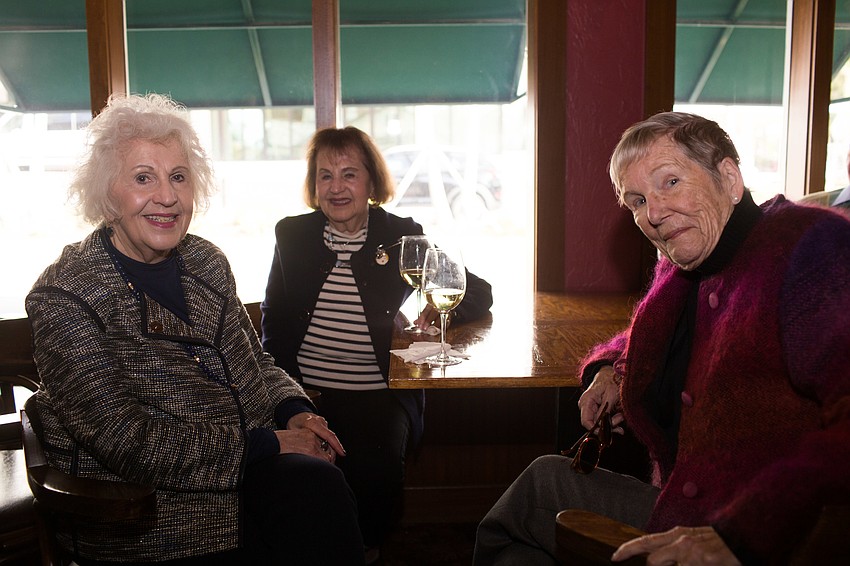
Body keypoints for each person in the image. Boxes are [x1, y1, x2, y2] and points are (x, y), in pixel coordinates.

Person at [473, 112, 850, 565]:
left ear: (728, 178)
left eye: (669, 182)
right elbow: (657, 332)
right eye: (635, 200)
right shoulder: (685, 256)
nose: (652, 213)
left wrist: (742, 536)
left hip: (771, 534)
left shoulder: (810, 246)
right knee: (539, 487)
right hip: (683, 505)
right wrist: (612, 368)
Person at [25, 93, 365, 565]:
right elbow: (129, 441)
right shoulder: (65, 295)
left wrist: (294, 410)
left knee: (322, 489)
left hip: (246, 478)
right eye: (144, 178)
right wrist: (270, 443)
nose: (166, 196)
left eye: (178, 177)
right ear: (106, 193)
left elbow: (256, 362)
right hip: (150, 514)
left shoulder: (205, 260)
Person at [261, 126, 493, 560]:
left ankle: (365, 552)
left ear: (372, 182)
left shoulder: (402, 234)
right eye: (325, 176)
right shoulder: (292, 236)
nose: (336, 187)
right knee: (294, 473)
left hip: (377, 395)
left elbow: (476, 289)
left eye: (349, 174)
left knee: (374, 471)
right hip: (304, 394)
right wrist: (284, 399)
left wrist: (438, 311)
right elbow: (273, 321)